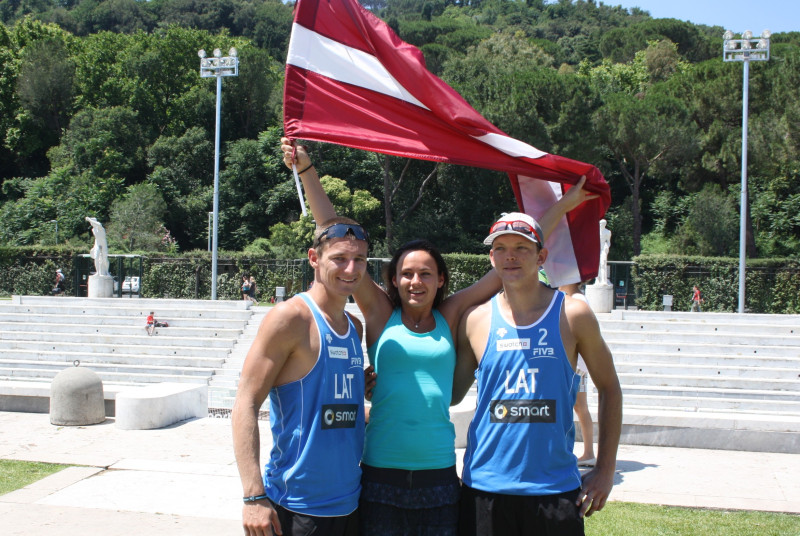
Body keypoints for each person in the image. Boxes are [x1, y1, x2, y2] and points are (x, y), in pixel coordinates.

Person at [280, 137, 595, 536]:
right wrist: (306, 170)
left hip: (440, 477)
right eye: (407, 273)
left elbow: (509, 261)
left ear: (441, 279)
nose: (416, 281)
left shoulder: (450, 314)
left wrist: (561, 208)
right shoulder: (380, 315)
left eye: (426, 273)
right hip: (380, 476)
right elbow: (336, 231)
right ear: (392, 279)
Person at [454, 213, 623, 535]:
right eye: (501, 248)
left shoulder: (572, 313)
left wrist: (605, 469)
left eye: (521, 247)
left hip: (553, 490)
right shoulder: (476, 320)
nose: (510, 256)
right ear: (491, 257)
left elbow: (610, 388)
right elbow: (450, 394)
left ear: (541, 256)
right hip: (484, 488)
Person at [231, 207, 370, 535]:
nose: (351, 269)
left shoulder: (354, 327)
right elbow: (245, 403)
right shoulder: (290, 319)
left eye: (360, 260)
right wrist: (253, 496)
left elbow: (330, 409)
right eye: (339, 259)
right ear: (313, 258)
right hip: (297, 507)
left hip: (351, 501)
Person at [560, 282, 595, 467]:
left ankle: (589, 452)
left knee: (580, 407)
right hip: (575, 364)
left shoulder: (577, 299)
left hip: (577, 365)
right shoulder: (573, 298)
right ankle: (587, 451)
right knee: (579, 407)